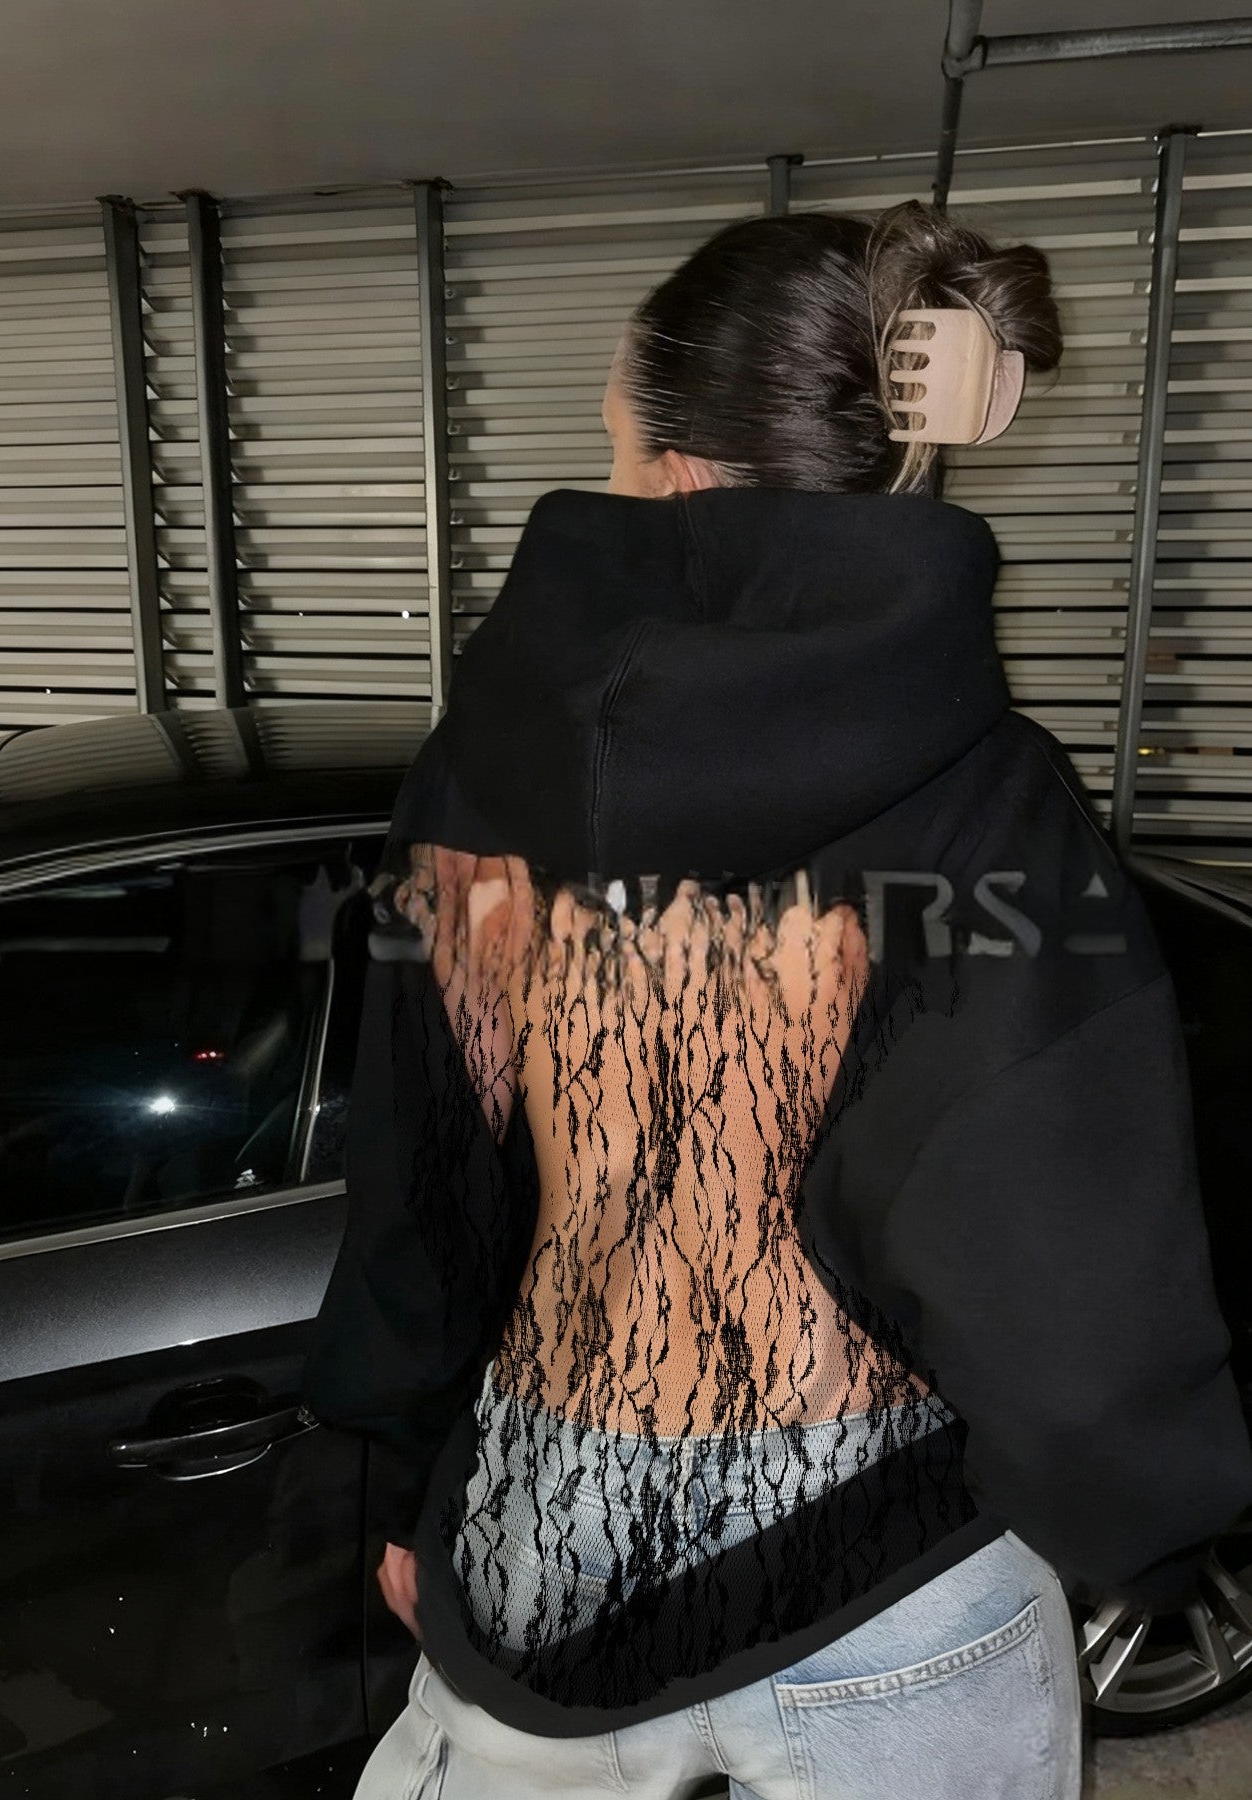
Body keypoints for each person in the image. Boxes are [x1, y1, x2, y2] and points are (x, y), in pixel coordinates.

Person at [301, 200, 1252, 1799]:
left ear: (671, 463)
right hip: (890, 1563)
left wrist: (403, 1475)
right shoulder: (987, 794)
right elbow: (1054, 1236)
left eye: (612, 440)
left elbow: (427, 1170)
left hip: (536, 1538)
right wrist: (1142, 1527)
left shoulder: (473, 770)